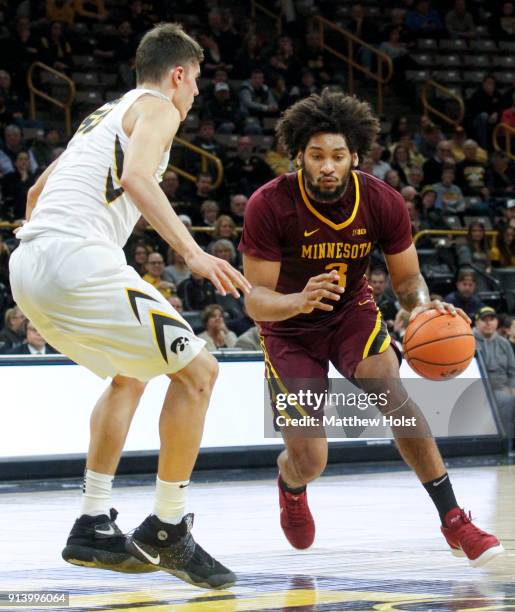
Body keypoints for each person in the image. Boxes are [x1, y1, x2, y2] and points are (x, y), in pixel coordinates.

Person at [9, 23, 251, 589]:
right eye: (195, 85)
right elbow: (138, 178)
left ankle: (93, 521)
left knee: (130, 374)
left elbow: (34, 196)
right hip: (78, 260)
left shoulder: (103, 116)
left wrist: (50, 240)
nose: (194, 98)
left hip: (29, 265)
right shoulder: (158, 107)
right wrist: (192, 253)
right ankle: (168, 529)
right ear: (179, 74)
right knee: (199, 372)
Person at [239, 90, 503, 566]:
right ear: (298, 155)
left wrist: (420, 308)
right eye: (316, 155)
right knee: (310, 460)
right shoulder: (269, 204)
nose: (327, 166)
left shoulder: (380, 200)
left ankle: (454, 519)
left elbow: (406, 280)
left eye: (337, 156)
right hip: (287, 329)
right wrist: (297, 300)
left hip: (350, 313)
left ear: (354, 156)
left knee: (392, 393)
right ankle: (290, 484)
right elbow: (256, 298)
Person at [474, 307, 515, 434]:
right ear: (476, 322)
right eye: (484, 320)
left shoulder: (504, 343)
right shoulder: (468, 340)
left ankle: (507, 445)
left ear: (497, 322)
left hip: (503, 388)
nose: (488, 323)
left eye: (491, 319)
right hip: (478, 390)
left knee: (507, 399)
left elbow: (512, 370)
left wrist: (512, 387)